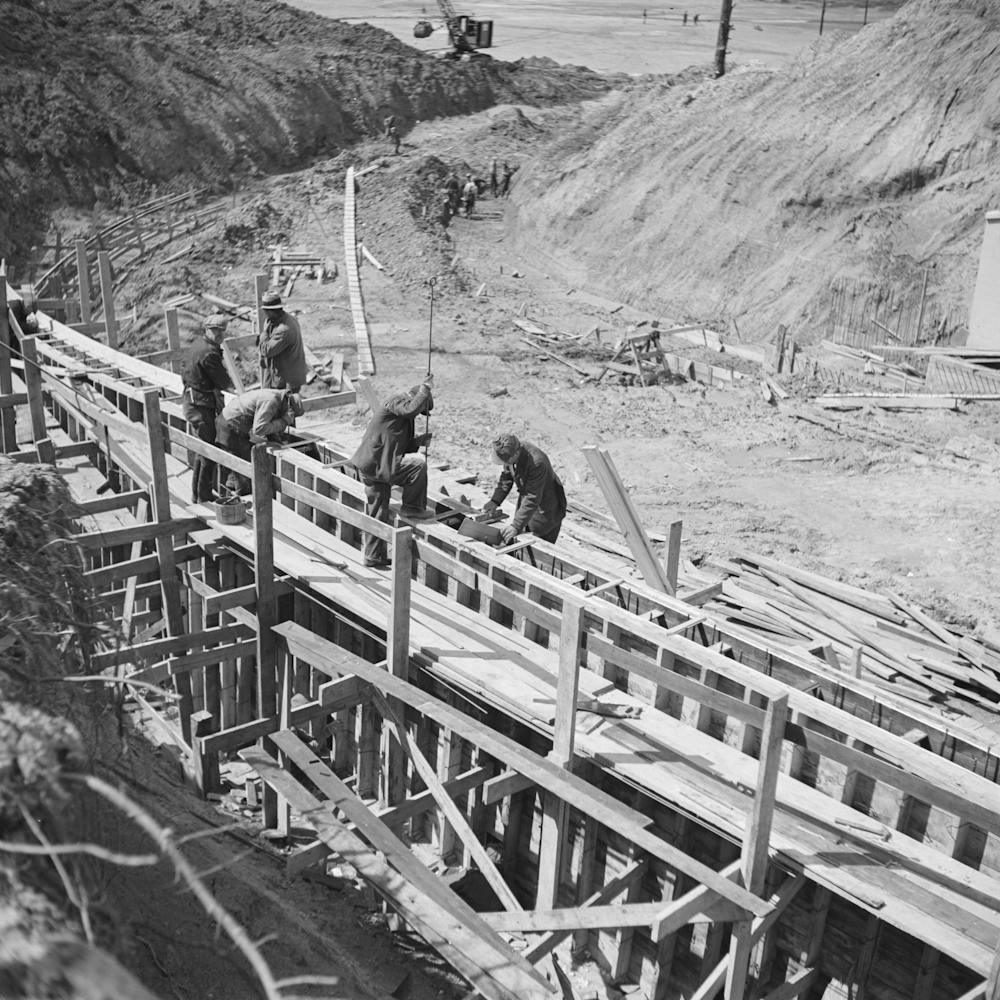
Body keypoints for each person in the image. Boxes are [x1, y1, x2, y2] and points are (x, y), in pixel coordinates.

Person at [350, 376, 434, 567]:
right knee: (418, 466)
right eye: (421, 408)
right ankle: (412, 508)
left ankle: (373, 556)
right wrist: (425, 389)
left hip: (375, 465)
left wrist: (418, 441)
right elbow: (410, 410)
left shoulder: (403, 415)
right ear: (416, 399)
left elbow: (400, 446)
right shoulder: (397, 401)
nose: (419, 413)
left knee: (378, 512)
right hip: (377, 465)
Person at [181, 312, 234, 502]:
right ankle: (202, 496)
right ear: (207, 330)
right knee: (208, 450)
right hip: (200, 406)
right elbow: (223, 381)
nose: (219, 334)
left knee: (202, 449)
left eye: (222, 331)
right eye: (215, 330)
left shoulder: (198, 344)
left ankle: (198, 494)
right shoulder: (209, 353)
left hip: (192, 401)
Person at [483, 433, 567, 544]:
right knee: (519, 535)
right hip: (528, 502)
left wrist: (516, 526)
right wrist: (495, 501)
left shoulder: (537, 463)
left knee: (536, 544)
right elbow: (507, 478)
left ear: (516, 453)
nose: (505, 464)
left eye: (506, 461)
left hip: (545, 510)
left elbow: (532, 497)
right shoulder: (510, 452)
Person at [216, 388, 303, 493]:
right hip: (231, 426)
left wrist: (278, 441)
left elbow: (268, 421)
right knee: (245, 471)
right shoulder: (271, 401)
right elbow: (259, 428)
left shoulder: (278, 399)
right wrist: (284, 421)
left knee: (236, 470)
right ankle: (242, 496)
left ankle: (232, 493)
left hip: (231, 423)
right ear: (289, 406)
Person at [258, 290, 308, 392]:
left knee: (284, 401)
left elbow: (266, 350)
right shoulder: (282, 320)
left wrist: (264, 332)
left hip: (287, 381)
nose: (265, 314)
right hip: (285, 375)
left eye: (266, 311)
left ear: (271, 311)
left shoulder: (284, 329)